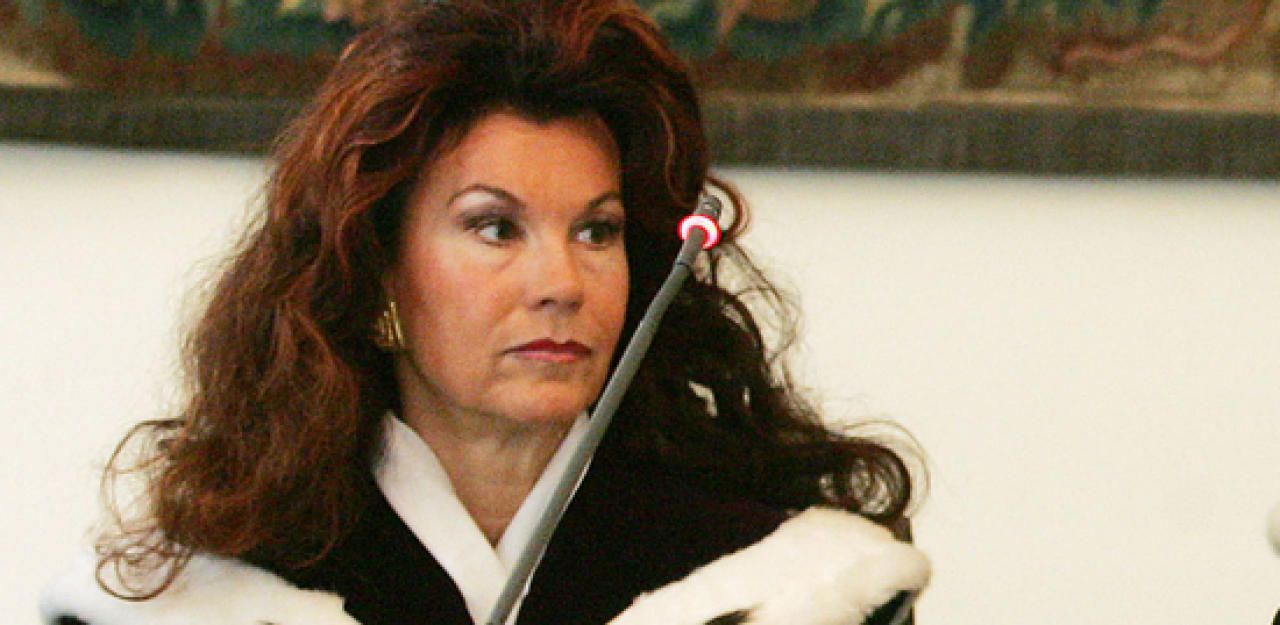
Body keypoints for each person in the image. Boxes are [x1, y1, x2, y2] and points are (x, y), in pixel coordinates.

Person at [40, 1, 928, 624]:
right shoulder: (194, 600)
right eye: (496, 227)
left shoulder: (797, 588)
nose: (562, 282)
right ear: (376, 265)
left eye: (597, 230)